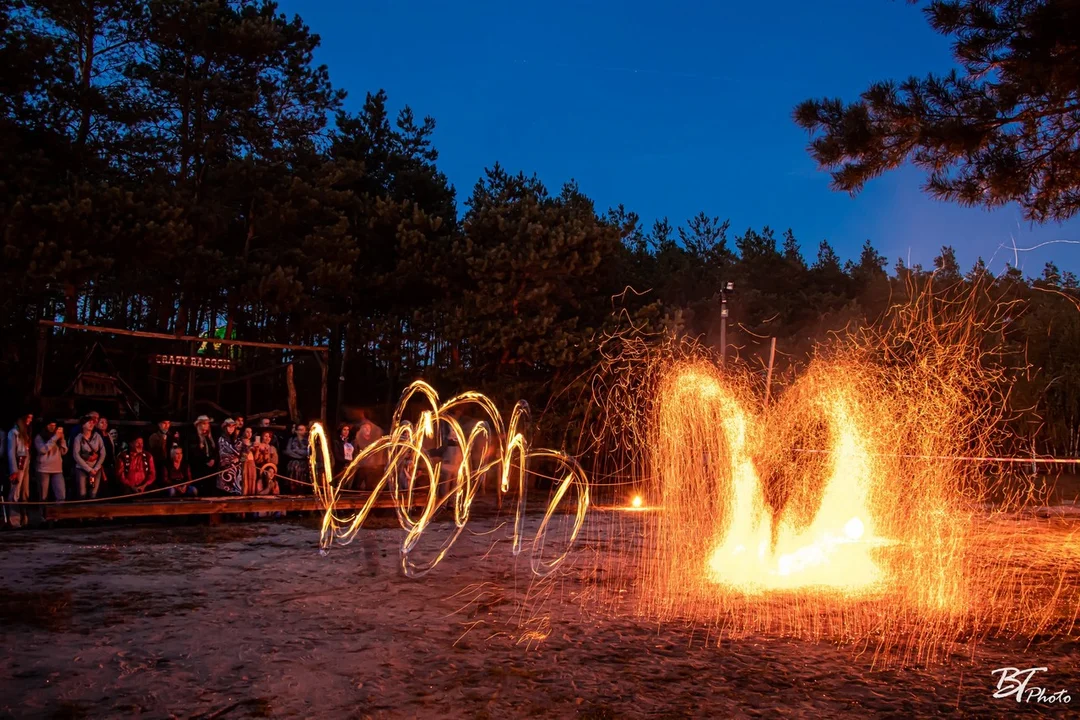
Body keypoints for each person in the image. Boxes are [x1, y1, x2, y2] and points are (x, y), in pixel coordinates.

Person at [5, 412, 33, 528]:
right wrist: (14, 470)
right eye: (28, 417)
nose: (30, 420)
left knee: (24, 492)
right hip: (18, 463)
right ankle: (14, 521)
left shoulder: (24, 432)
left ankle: (24, 519)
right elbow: (11, 452)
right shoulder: (13, 432)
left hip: (26, 462)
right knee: (15, 492)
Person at [34, 420, 68, 503]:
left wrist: (62, 439)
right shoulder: (39, 437)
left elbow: (64, 452)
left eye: (54, 425)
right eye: (50, 425)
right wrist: (55, 438)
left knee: (61, 495)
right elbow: (43, 450)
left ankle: (58, 513)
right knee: (43, 496)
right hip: (43, 469)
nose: (53, 427)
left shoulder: (57, 437)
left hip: (57, 469)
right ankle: (42, 514)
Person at [72, 415, 105, 500]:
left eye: (92, 423)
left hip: (95, 469)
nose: (91, 424)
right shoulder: (78, 438)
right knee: (82, 493)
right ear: (83, 425)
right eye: (88, 422)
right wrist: (89, 469)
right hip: (82, 469)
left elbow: (102, 453)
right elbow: (76, 455)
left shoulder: (97, 436)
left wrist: (96, 467)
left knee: (93, 492)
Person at [215, 418, 247, 496]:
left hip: (237, 473)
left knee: (236, 495)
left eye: (233, 426)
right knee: (224, 494)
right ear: (225, 427)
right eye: (229, 426)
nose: (231, 428)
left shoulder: (239, 441)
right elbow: (221, 455)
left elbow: (245, 455)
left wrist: (239, 459)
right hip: (225, 471)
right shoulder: (221, 440)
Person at [353, 415, 385, 491]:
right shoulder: (358, 440)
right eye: (365, 428)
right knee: (357, 486)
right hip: (361, 467)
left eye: (369, 428)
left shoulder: (373, 440)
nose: (367, 430)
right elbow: (356, 452)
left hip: (372, 468)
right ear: (361, 429)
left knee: (369, 486)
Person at [188, 415, 218, 494]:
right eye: (204, 424)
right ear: (199, 425)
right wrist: (205, 460)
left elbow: (215, 450)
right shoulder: (194, 437)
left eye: (207, 424)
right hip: (200, 466)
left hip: (210, 467)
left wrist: (213, 459)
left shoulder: (210, 437)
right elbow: (194, 452)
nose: (206, 426)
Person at [283, 423, 312, 494]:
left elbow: (307, 453)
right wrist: (299, 455)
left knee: (303, 483)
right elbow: (288, 451)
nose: (301, 431)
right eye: (299, 430)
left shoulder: (308, 441)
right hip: (293, 464)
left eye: (302, 430)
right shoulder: (292, 440)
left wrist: (296, 450)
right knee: (293, 483)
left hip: (304, 465)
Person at [97, 416, 117, 496]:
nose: (104, 424)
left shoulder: (109, 435)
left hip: (110, 464)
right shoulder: (96, 436)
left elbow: (112, 450)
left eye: (106, 422)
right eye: (102, 422)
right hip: (100, 465)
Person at [240, 426, 257, 495]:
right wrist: (250, 448)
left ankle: (252, 494)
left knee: (252, 478)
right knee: (245, 480)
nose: (249, 433)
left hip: (252, 462)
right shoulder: (240, 442)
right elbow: (242, 457)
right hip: (245, 462)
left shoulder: (252, 442)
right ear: (244, 432)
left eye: (251, 432)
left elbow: (255, 457)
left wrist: (257, 449)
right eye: (247, 432)